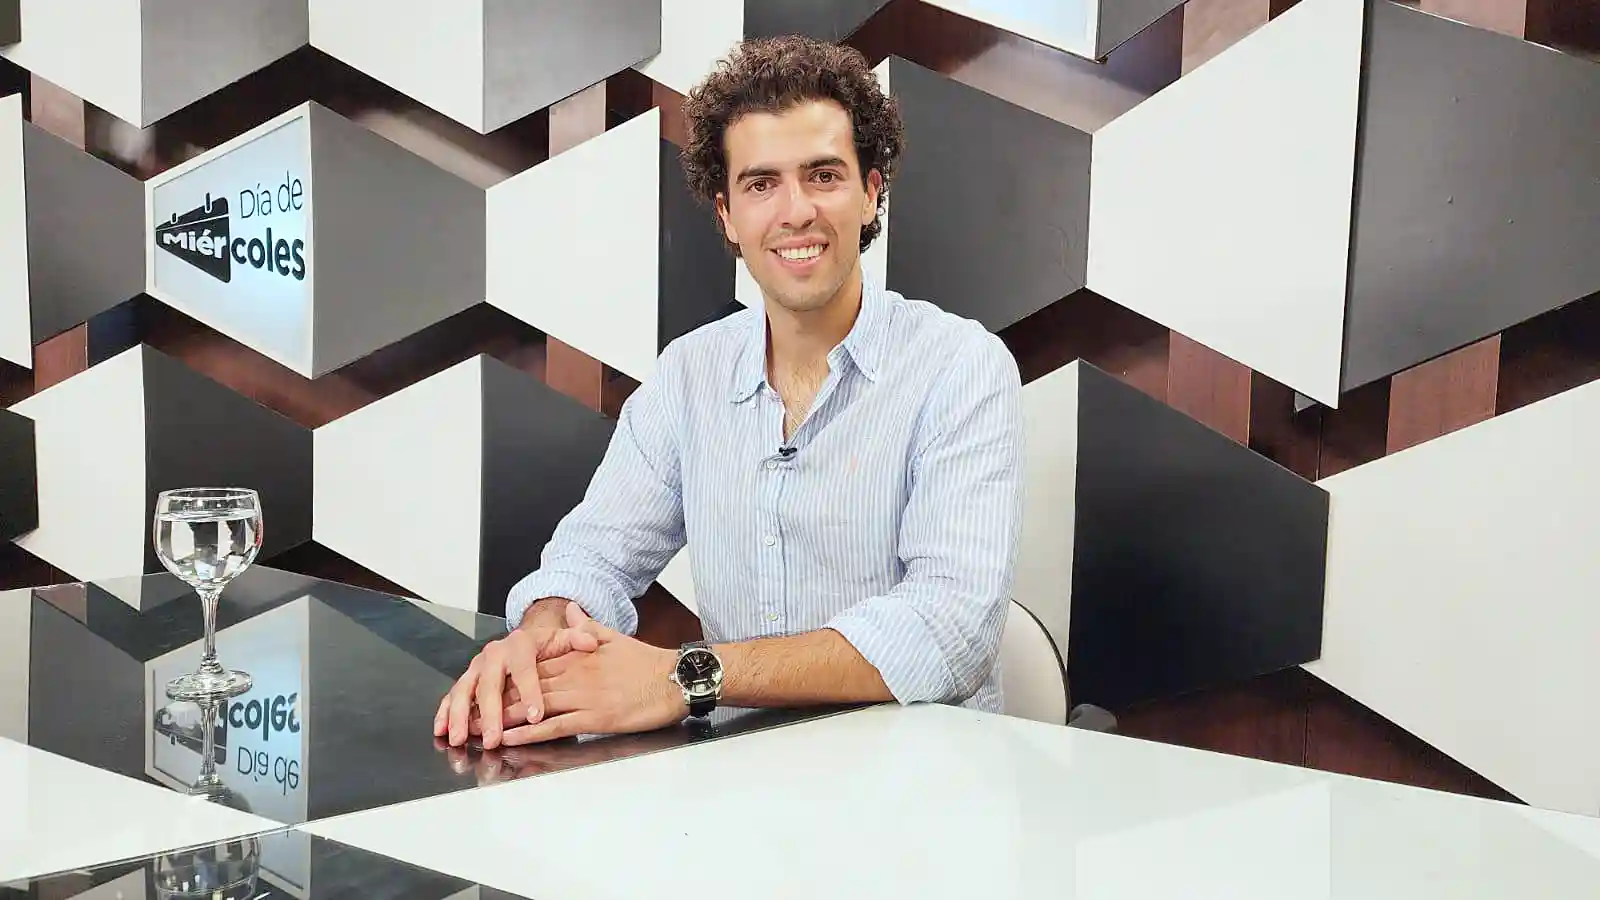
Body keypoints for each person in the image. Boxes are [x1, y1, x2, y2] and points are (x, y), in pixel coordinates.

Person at [435, 35, 1024, 750]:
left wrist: (685, 678)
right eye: (761, 184)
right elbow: (591, 557)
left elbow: (950, 628)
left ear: (872, 193)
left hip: (924, 784)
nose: (796, 211)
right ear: (726, 216)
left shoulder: (961, 368)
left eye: (824, 175)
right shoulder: (689, 375)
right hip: (735, 782)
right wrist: (540, 636)